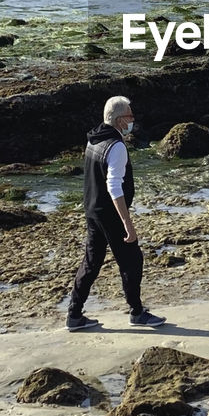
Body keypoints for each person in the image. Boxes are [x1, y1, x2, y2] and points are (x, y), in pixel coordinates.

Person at [66, 95, 166, 330]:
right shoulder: (117, 146)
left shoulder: (93, 139)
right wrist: (127, 223)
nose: (133, 119)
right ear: (121, 120)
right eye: (130, 115)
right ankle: (137, 313)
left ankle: (74, 314)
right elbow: (113, 186)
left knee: (91, 262)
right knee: (132, 261)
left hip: (92, 210)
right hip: (110, 213)